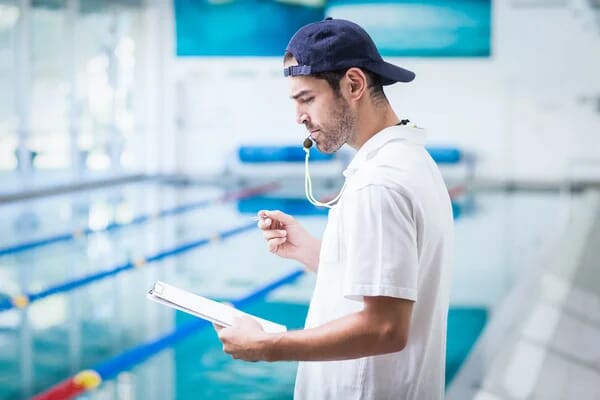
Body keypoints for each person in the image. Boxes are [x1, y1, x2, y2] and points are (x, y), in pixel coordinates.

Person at [214, 17, 454, 400]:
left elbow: (384, 328)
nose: (299, 118)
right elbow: (385, 282)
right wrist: (311, 250)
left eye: (307, 99)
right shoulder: (410, 161)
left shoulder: (379, 183)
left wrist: (266, 347)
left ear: (354, 84)